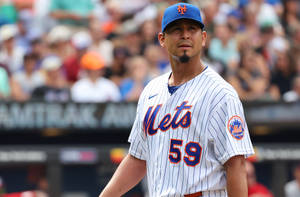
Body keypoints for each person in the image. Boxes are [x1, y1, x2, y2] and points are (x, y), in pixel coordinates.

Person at [99, 3, 254, 197]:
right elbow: (138, 159)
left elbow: (236, 165)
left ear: (203, 37)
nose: (185, 35)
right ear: (162, 39)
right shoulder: (151, 91)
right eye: (176, 29)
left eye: (192, 29)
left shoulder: (220, 94)